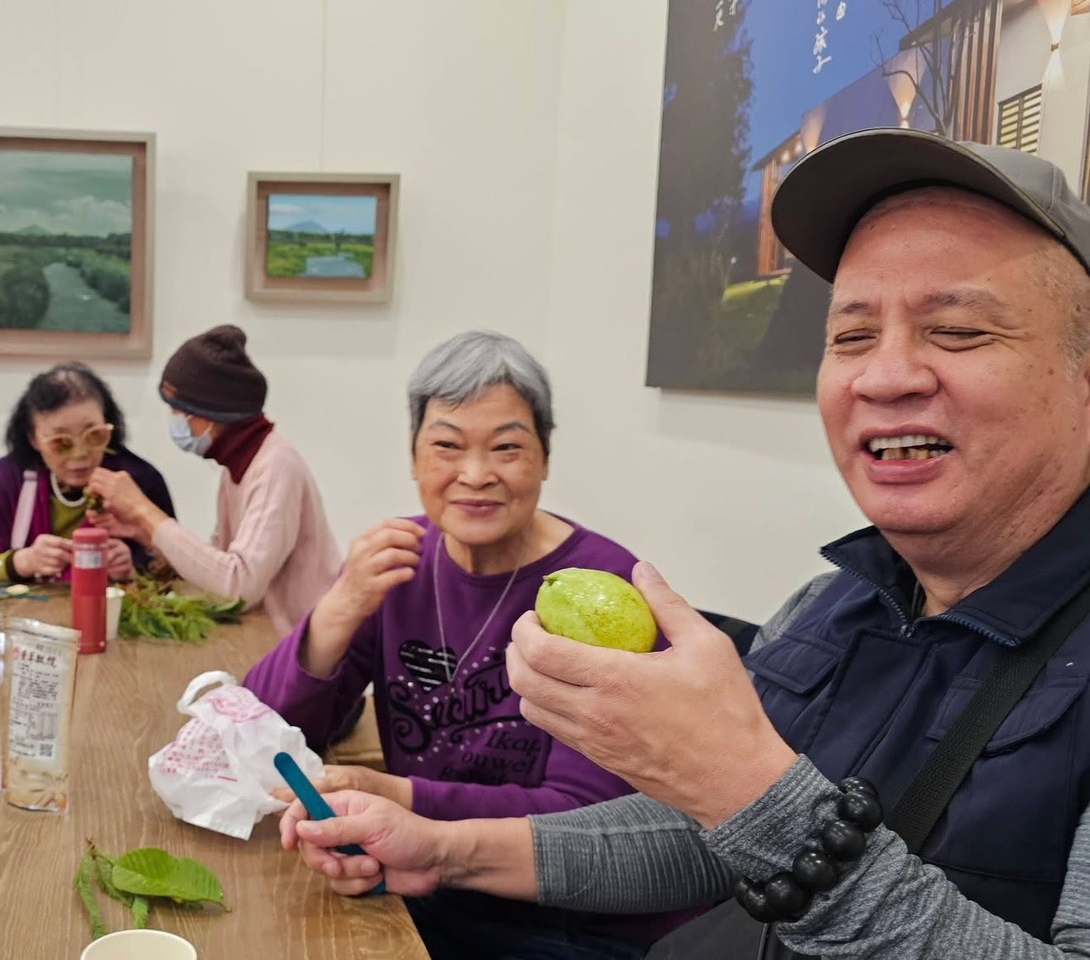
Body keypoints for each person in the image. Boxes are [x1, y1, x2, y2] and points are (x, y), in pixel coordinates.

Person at [280, 132, 1090, 957]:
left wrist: (753, 794)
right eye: (850, 337)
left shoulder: (601, 575)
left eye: (955, 330)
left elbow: (751, 811)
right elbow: (703, 834)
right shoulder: (833, 605)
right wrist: (441, 849)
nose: (882, 377)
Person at [247, 330, 688, 959]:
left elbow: (586, 819)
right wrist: (339, 607)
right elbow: (258, 736)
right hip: (422, 886)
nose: (476, 476)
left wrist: (399, 796)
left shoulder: (601, 591)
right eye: (447, 446)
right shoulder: (395, 564)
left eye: (507, 447)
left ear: (544, 456)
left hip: (565, 925)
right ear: (413, 456)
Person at [90, 325, 339, 636]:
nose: (175, 421)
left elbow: (239, 587)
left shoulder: (276, 466)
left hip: (299, 642)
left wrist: (144, 511)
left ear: (211, 412)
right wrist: (143, 532)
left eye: (179, 411)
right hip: (262, 635)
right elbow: (215, 568)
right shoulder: (236, 465)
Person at [0, 362, 173, 583]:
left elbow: (174, 574)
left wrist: (132, 573)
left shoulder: (139, 480)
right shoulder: (8, 478)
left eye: (93, 435)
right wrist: (21, 562)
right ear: (33, 439)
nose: (80, 454)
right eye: (61, 442)